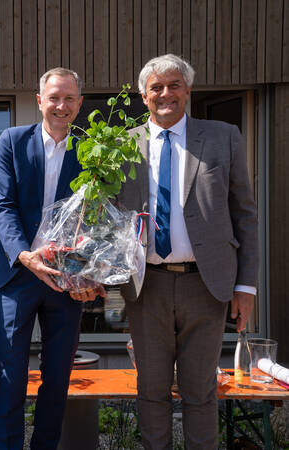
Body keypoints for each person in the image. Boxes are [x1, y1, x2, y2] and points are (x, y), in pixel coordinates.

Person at [117, 54, 258, 449]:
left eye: (174, 85)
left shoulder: (222, 137)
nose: (166, 94)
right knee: (152, 391)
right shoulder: (124, 146)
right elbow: (110, 218)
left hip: (206, 285)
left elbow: (244, 214)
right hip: (147, 287)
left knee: (200, 391)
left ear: (188, 90)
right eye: (156, 88)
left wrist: (246, 286)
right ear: (144, 97)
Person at [0, 67, 102, 449]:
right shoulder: (11, 141)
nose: (61, 105)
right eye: (54, 97)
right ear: (39, 101)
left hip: (66, 279)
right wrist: (24, 255)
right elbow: (1, 205)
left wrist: (91, 271)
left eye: (69, 98)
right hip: (18, 275)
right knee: (11, 376)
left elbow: (101, 216)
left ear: (80, 104)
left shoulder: (90, 150)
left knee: (57, 378)